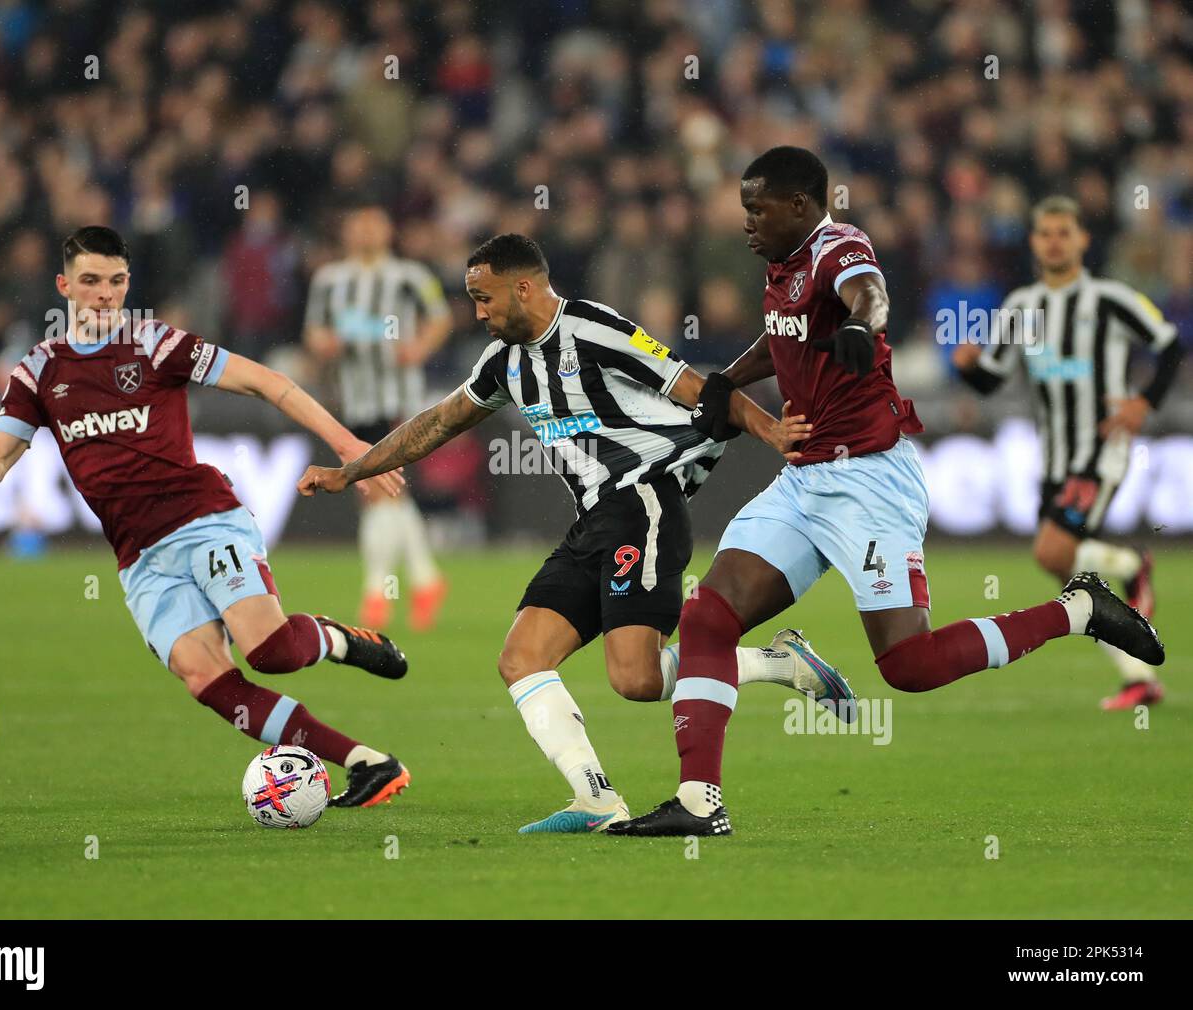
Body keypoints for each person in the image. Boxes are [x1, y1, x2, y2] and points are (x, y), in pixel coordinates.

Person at [609, 148, 1165, 838]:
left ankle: (1077, 609)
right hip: (804, 480)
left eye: (758, 208)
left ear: (802, 208)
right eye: (744, 206)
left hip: (869, 481)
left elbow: (871, 295)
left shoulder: (838, 245)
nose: (746, 220)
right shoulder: (781, 267)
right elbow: (783, 335)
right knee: (708, 619)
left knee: (910, 666)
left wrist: (856, 326)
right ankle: (699, 802)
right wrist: (731, 374)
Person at [297, 233, 849, 834]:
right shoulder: (503, 362)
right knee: (521, 658)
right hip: (593, 520)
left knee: (634, 679)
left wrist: (774, 434)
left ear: (524, 287)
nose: (477, 312)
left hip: (643, 501)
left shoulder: (595, 329)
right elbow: (438, 422)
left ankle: (777, 663)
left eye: (484, 298)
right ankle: (595, 799)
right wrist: (352, 470)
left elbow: (698, 388)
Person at [0, 226, 412, 808]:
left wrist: (352, 446)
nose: (104, 295)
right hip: (139, 558)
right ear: (64, 285)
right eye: (91, 281)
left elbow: (267, 382)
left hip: (204, 521)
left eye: (116, 282)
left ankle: (337, 638)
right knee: (206, 679)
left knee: (270, 653)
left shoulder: (154, 344)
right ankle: (367, 762)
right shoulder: (40, 371)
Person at [953, 195, 1184, 711]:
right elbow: (992, 380)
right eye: (1045, 233)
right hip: (1055, 457)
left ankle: (1130, 562)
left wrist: (1143, 403)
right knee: (1077, 586)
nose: (1054, 241)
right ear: (1033, 242)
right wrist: (966, 366)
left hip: (1100, 449)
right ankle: (1139, 676)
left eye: (1064, 232)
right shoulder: (1020, 305)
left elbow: (1170, 343)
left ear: (1082, 239)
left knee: (1050, 552)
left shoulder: (1111, 299)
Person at [303, 205, 454, 630]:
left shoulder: (411, 276)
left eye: (374, 222)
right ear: (347, 230)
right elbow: (314, 330)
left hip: (397, 401)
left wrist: (420, 348)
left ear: (388, 229)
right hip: (352, 398)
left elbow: (441, 318)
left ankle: (376, 592)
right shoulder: (330, 280)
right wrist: (324, 344)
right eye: (358, 222)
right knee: (380, 492)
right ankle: (425, 578)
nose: (366, 230)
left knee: (379, 489)